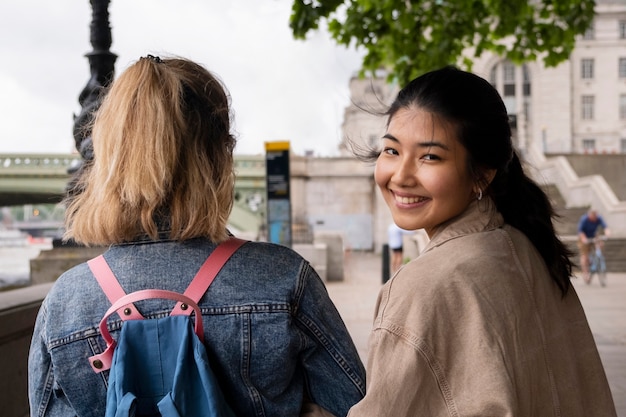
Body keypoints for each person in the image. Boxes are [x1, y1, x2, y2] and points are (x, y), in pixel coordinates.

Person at [28, 55, 365, 417]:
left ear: (108, 159)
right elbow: (358, 404)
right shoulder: (284, 278)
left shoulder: (64, 302)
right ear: (220, 156)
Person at [348, 66, 616, 416]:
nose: (401, 176)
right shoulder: (527, 247)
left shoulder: (423, 287)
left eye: (430, 156)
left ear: (482, 174)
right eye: (391, 150)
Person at [577, 208, 611, 284]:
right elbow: (580, 231)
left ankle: (598, 258)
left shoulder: (598, 218)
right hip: (584, 237)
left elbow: (605, 227)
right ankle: (585, 274)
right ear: (590, 215)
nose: (595, 219)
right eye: (593, 217)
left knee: (601, 243)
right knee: (584, 256)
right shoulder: (584, 219)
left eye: (596, 217)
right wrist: (584, 239)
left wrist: (607, 233)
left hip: (594, 236)